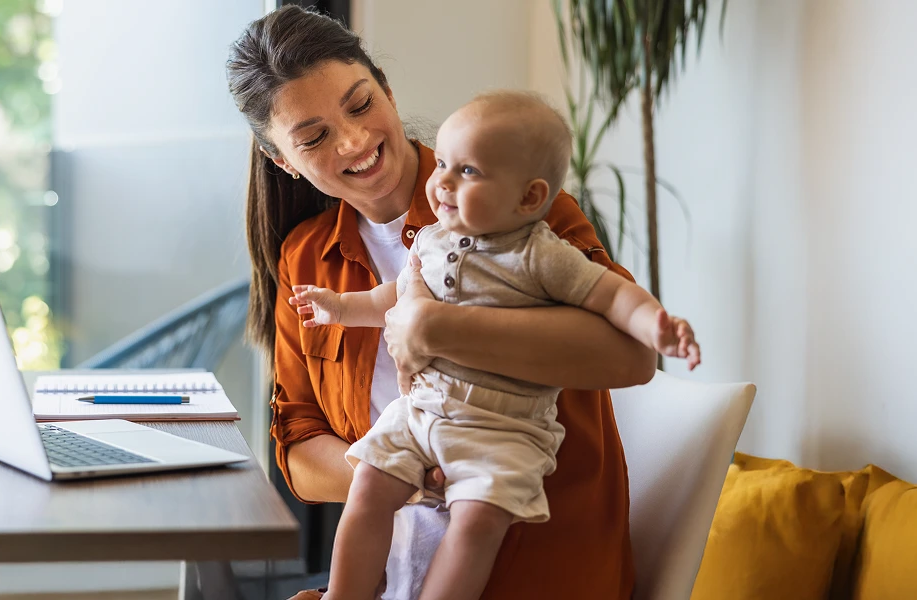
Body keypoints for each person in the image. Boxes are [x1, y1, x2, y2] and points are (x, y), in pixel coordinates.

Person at [226, 6, 655, 599]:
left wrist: (434, 328)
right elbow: (298, 447)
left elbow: (632, 357)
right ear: (284, 162)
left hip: (537, 574)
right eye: (314, 137)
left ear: (388, 91)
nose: (354, 140)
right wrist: (403, 473)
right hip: (393, 575)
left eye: (360, 104)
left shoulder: (520, 206)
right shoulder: (305, 259)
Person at [288, 90, 700, 600]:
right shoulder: (431, 240)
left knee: (478, 522)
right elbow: (385, 299)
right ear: (283, 157)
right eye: (444, 163)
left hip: (501, 430)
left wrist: (654, 322)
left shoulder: (541, 251)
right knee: (369, 483)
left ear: (528, 198)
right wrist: (340, 308)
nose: (441, 181)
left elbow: (613, 297)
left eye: (467, 172)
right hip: (421, 413)